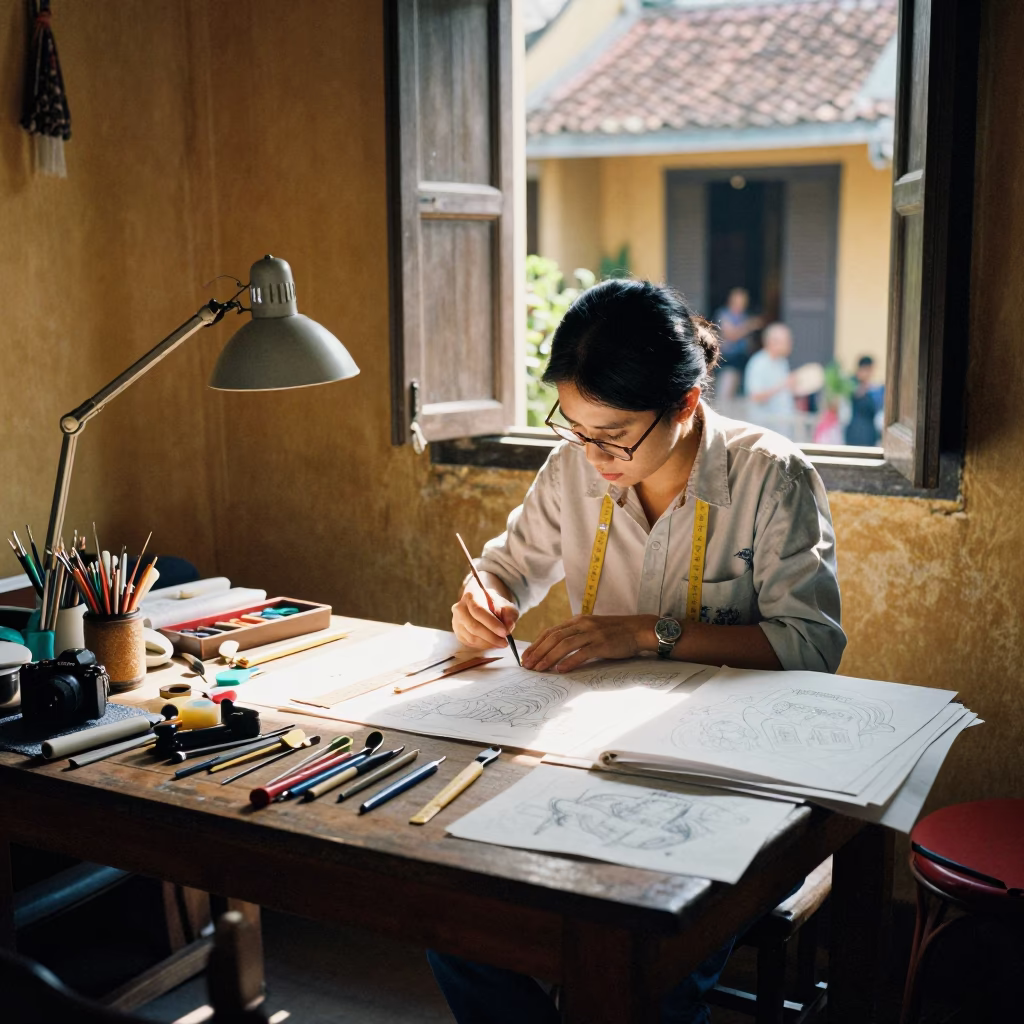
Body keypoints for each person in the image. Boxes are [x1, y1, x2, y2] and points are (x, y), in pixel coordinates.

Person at [433, 279, 845, 1024]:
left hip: (729, 773)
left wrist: (642, 631)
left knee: (647, 967)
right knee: (454, 923)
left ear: (686, 403)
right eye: (576, 429)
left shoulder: (770, 477)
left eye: (614, 434)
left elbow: (810, 647)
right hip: (591, 757)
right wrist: (483, 599)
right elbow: (506, 568)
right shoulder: (574, 467)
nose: (593, 456)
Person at [743, 322, 797, 437]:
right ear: (773, 342)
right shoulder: (758, 363)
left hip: (782, 428)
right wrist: (783, 385)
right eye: (786, 341)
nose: (790, 344)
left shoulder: (782, 362)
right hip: (766, 431)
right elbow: (756, 396)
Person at [712, 287, 764, 399]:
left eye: (743, 302)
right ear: (731, 301)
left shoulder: (744, 316)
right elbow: (731, 335)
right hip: (729, 360)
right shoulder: (723, 314)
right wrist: (750, 325)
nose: (740, 305)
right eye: (738, 302)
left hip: (743, 359)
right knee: (725, 394)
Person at [845, 355, 884, 446]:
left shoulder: (873, 389)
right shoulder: (851, 384)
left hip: (869, 433)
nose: (870, 373)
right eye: (868, 370)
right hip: (855, 432)